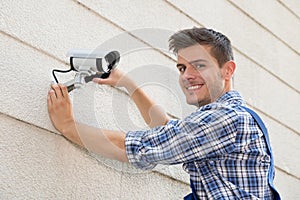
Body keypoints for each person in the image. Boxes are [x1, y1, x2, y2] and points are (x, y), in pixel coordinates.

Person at [47, 27, 280, 199]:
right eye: (182, 67)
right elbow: (169, 133)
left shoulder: (226, 118)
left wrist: (68, 125)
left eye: (199, 65)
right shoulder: (229, 117)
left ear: (227, 70)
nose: (187, 75)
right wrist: (128, 83)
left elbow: (139, 147)